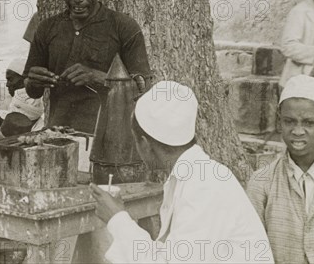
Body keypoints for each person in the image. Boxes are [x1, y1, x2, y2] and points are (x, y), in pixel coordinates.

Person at [91, 81, 273, 263]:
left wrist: (117, 218)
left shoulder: (204, 187)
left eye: (136, 142)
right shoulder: (194, 175)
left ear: (145, 145)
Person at [24, 0, 151, 133]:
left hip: (109, 140)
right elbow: (32, 91)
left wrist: (98, 78)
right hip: (58, 137)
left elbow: (143, 88)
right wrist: (34, 82)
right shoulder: (47, 28)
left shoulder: (123, 27)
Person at [247, 75, 314, 264]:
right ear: (279, 122)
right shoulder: (262, 182)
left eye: (309, 123)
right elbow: (252, 248)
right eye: (289, 121)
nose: (298, 131)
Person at [5, 58, 44, 133]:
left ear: (25, 81)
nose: (7, 84)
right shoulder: (16, 102)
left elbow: (18, 128)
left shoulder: (22, 102)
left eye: (10, 79)